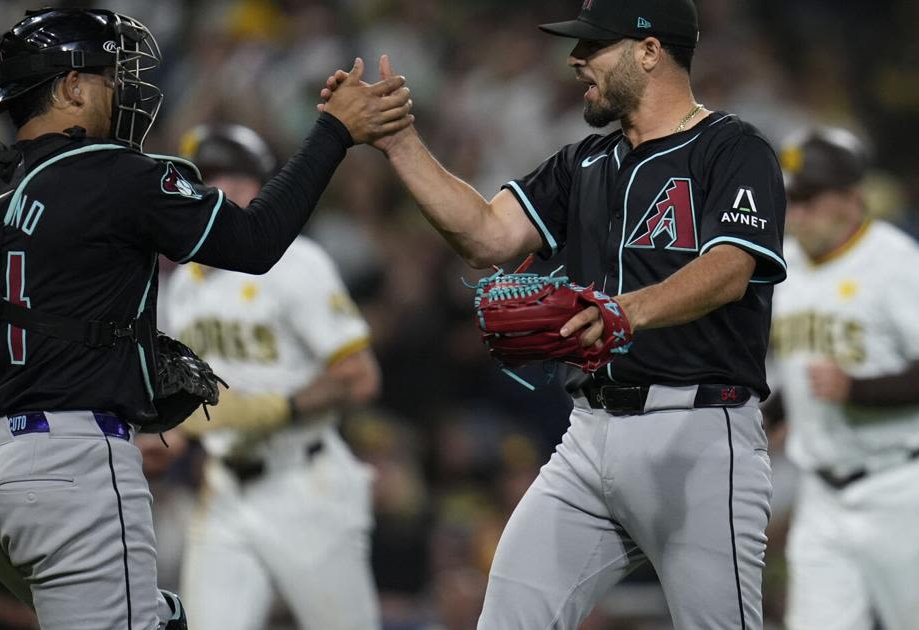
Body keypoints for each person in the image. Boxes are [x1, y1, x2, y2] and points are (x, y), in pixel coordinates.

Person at [0, 7, 410, 630]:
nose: (123, 87)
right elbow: (253, 241)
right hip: (72, 473)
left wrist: (47, 358)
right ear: (70, 86)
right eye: (110, 73)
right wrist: (332, 131)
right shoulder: (116, 176)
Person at [323, 0, 786, 627]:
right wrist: (400, 142)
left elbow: (731, 268)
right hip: (589, 435)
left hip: (700, 435)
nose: (575, 60)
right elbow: (487, 235)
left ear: (649, 52)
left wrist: (625, 312)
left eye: (594, 46)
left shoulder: (733, 149)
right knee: (509, 617)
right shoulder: (585, 163)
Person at [163, 123, 382, 630]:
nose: (218, 193)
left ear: (260, 186)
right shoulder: (181, 287)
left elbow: (360, 377)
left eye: (232, 179)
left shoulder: (294, 262)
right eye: (205, 182)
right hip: (223, 491)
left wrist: (275, 408)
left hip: (306, 485)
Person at [767, 126, 919, 630]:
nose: (796, 213)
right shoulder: (785, 266)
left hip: (905, 488)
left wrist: (857, 390)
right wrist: (774, 415)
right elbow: (804, 370)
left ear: (850, 199)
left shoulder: (898, 264)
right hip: (823, 497)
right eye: (790, 199)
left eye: (809, 199)